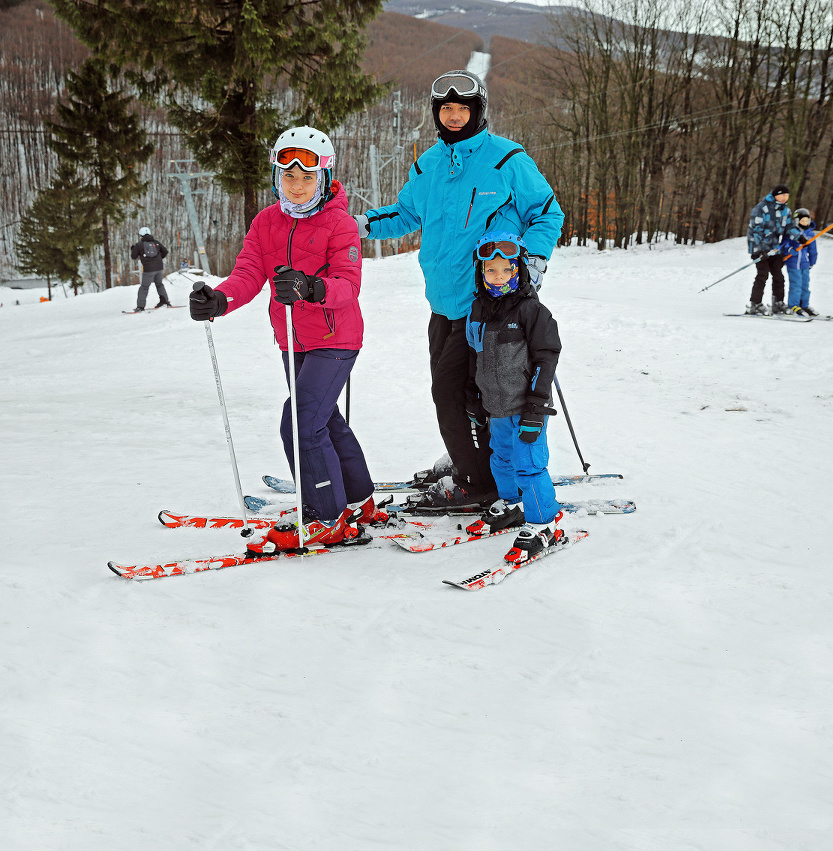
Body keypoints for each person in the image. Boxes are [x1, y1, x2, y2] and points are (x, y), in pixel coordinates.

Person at [355, 70, 565, 508]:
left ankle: (478, 482)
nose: (453, 116)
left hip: (489, 307)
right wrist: (361, 224)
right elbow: (407, 215)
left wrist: (533, 259)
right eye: (445, 109)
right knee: (464, 394)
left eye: (462, 108)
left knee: (461, 395)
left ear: (478, 111)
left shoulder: (506, 159)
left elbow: (547, 213)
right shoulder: (428, 164)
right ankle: (478, 463)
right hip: (443, 305)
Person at [189, 126, 383, 551]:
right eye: (288, 177)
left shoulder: (341, 224)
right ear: (277, 178)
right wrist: (218, 300)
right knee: (323, 418)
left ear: (325, 178)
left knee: (299, 423)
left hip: (335, 337)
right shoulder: (266, 222)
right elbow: (248, 274)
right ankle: (359, 498)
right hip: (292, 339)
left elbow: (348, 285)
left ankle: (326, 516)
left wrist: (312, 288)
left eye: (307, 178)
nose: (297, 186)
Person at [463, 232, 565, 564]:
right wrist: (473, 396)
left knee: (529, 465)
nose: (497, 277)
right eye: (490, 271)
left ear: (517, 269)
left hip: (525, 407)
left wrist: (537, 406)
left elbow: (547, 357)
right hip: (496, 406)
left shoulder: (530, 310)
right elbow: (474, 356)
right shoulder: (477, 308)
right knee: (501, 459)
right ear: (481, 272)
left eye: (505, 270)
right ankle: (513, 505)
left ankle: (544, 523)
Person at [745, 184, 805, 315]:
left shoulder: (786, 211)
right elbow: (756, 230)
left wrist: (799, 238)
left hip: (774, 248)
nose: (785, 198)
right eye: (782, 195)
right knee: (762, 274)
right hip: (758, 248)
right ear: (775, 195)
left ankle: (778, 303)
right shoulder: (762, 208)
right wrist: (760, 250)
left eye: (787, 196)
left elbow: (789, 227)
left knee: (778, 276)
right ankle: (755, 304)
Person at [781, 207, 819, 316]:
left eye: (807, 221)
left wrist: (812, 261)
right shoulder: (791, 232)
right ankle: (794, 305)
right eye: (802, 221)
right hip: (793, 263)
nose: (805, 223)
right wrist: (789, 250)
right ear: (797, 221)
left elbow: (813, 249)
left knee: (805, 286)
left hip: (805, 264)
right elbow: (784, 245)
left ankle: (804, 305)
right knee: (796, 285)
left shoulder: (810, 234)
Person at [130, 226, 171, 311]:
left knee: (144, 287)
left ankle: (140, 306)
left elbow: (133, 256)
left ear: (141, 235)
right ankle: (165, 301)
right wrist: (159, 259)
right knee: (159, 284)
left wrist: (133, 249)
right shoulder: (156, 243)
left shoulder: (139, 245)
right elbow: (165, 252)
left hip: (149, 270)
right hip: (159, 268)